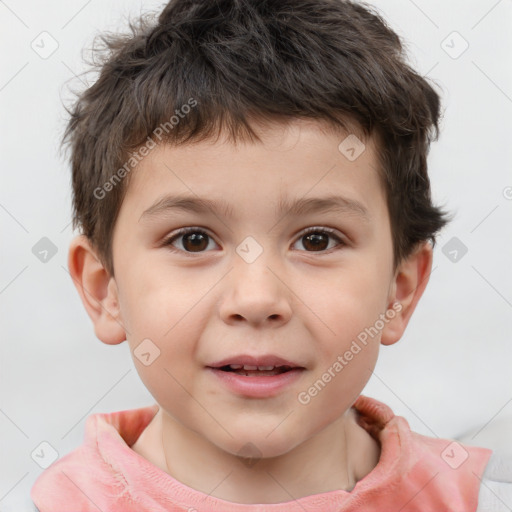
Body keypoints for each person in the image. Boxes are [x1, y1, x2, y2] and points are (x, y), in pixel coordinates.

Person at [30, 0, 512, 510]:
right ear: (105, 291)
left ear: (400, 290)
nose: (257, 299)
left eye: (317, 240)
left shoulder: (478, 498)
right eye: (193, 240)